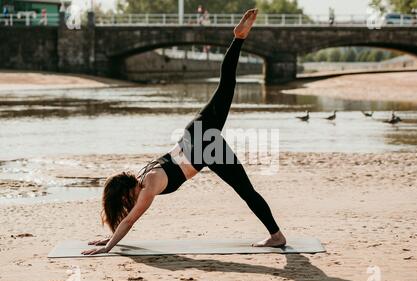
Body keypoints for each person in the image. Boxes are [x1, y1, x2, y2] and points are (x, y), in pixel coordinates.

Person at [83, 9, 286, 256]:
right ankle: (238, 39)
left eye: (124, 201)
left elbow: (130, 220)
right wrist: (110, 238)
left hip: (205, 146)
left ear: (127, 191)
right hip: (195, 133)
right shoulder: (143, 174)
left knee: (246, 190)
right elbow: (125, 217)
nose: (128, 205)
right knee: (226, 86)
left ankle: (277, 236)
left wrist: (108, 246)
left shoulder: (150, 185)